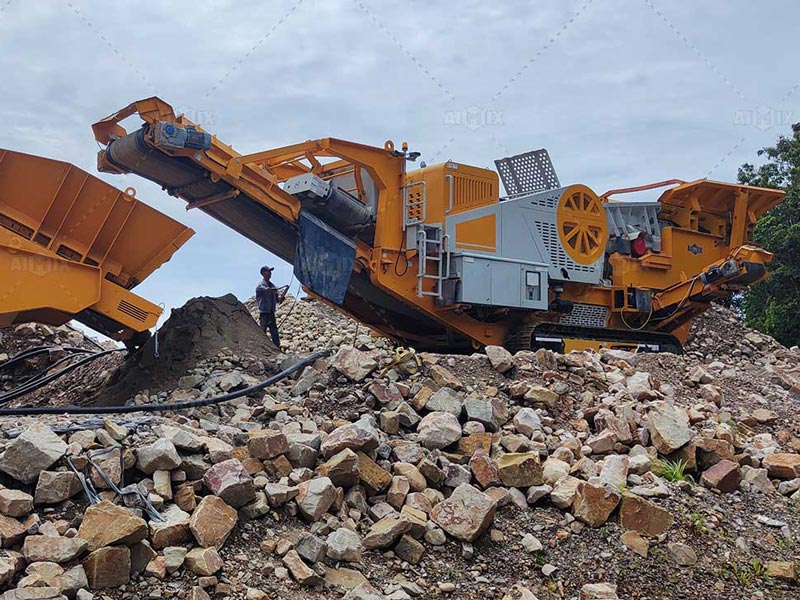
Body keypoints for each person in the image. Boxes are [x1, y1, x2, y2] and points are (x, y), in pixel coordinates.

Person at [255, 266, 284, 347]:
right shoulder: (260, 286)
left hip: (271, 313)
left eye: (270, 271)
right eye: (268, 271)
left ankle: (277, 348)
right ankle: (261, 348)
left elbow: (278, 300)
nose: (270, 273)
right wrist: (273, 290)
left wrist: (281, 298)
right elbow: (266, 290)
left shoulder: (273, 286)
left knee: (274, 333)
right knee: (262, 332)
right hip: (264, 314)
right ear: (263, 273)